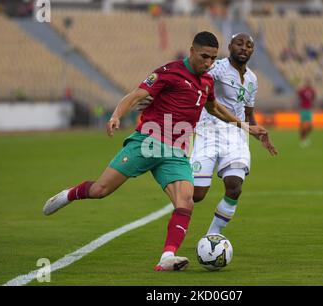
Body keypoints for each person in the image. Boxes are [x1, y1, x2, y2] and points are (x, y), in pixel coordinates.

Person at [42, 32, 271, 272]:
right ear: (191, 51)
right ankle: (68, 195)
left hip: (177, 150)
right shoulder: (169, 72)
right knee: (100, 190)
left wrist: (244, 126)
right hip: (148, 142)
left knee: (186, 202)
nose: (208, 63)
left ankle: (167, 257)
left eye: (213, 59)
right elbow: (137, 95)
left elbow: (214, 108)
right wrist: (116, 116)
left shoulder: (207, 81)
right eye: (204, 57)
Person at [190, 33, 278, 236]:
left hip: (237, 136)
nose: (244, 48)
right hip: (209, 132)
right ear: (229, 46)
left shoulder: (252, 79)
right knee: (197, 195)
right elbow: (195, 80)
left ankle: (213, 235)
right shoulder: (217, 68)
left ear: (252, 51)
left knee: (234, 187)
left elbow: (247, 113)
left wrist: (258, 133)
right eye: (239, 44)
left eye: (248, 45)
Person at [297, 79, 316, 148]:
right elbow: (298, 95)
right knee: (305, 125)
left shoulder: (312, 91)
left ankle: (304, 138)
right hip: (303, 109)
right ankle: (303, 140)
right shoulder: (302, 91)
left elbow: (313, 98)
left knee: (310, 127)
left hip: (309, 109)